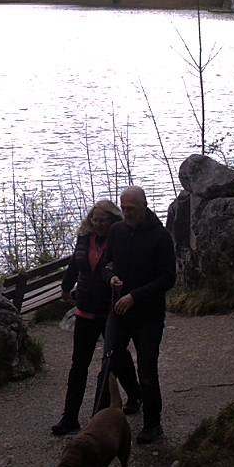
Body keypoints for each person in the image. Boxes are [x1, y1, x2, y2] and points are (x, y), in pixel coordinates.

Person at [51, 199, 141, 436]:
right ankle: (69, 418)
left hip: (110, 309)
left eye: (104, 220)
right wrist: (66, 286)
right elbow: (75, 264)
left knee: (116, 357)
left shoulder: (121, 239)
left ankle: (133, 395)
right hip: (85, 309)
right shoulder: (84, 239)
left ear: (113, 220)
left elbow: (125, 269)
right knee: (78, 365)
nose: (99, 224)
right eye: (95, 220)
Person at [103, 185, 176, 445]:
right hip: (119, 311)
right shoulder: (117, 231)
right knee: (111, 358)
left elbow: (168, 278)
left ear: (144, 206)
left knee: (147, 368)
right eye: (123, 208)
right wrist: (110, 277)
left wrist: (135, 296)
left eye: (131, 209)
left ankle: (152, 424)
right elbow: (106, 263)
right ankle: (128, 400)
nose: (126, 213)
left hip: (148, 314)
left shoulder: (160, 237)